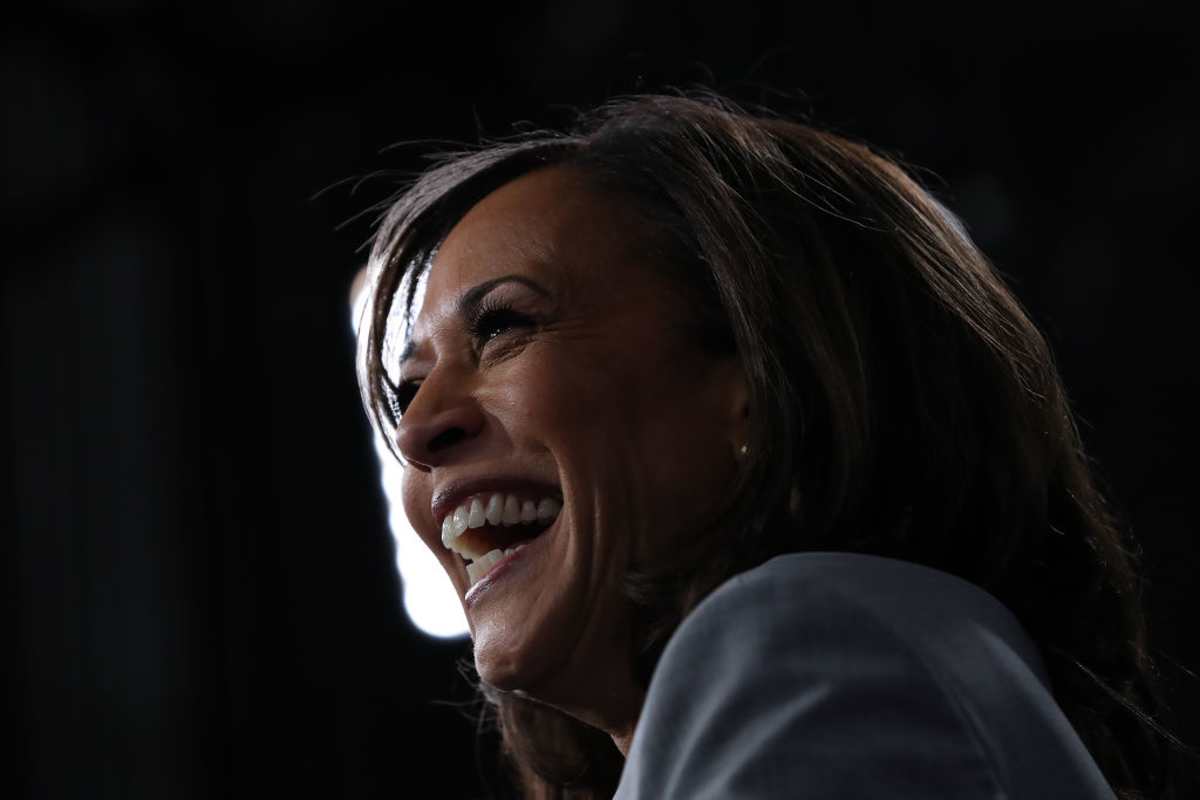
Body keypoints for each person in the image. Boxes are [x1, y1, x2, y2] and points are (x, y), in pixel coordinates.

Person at [354, 94, 1176, 798]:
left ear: (764, 382)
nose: (419, 431)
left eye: (503, 326)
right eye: (406, 388)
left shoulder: (807, 641)